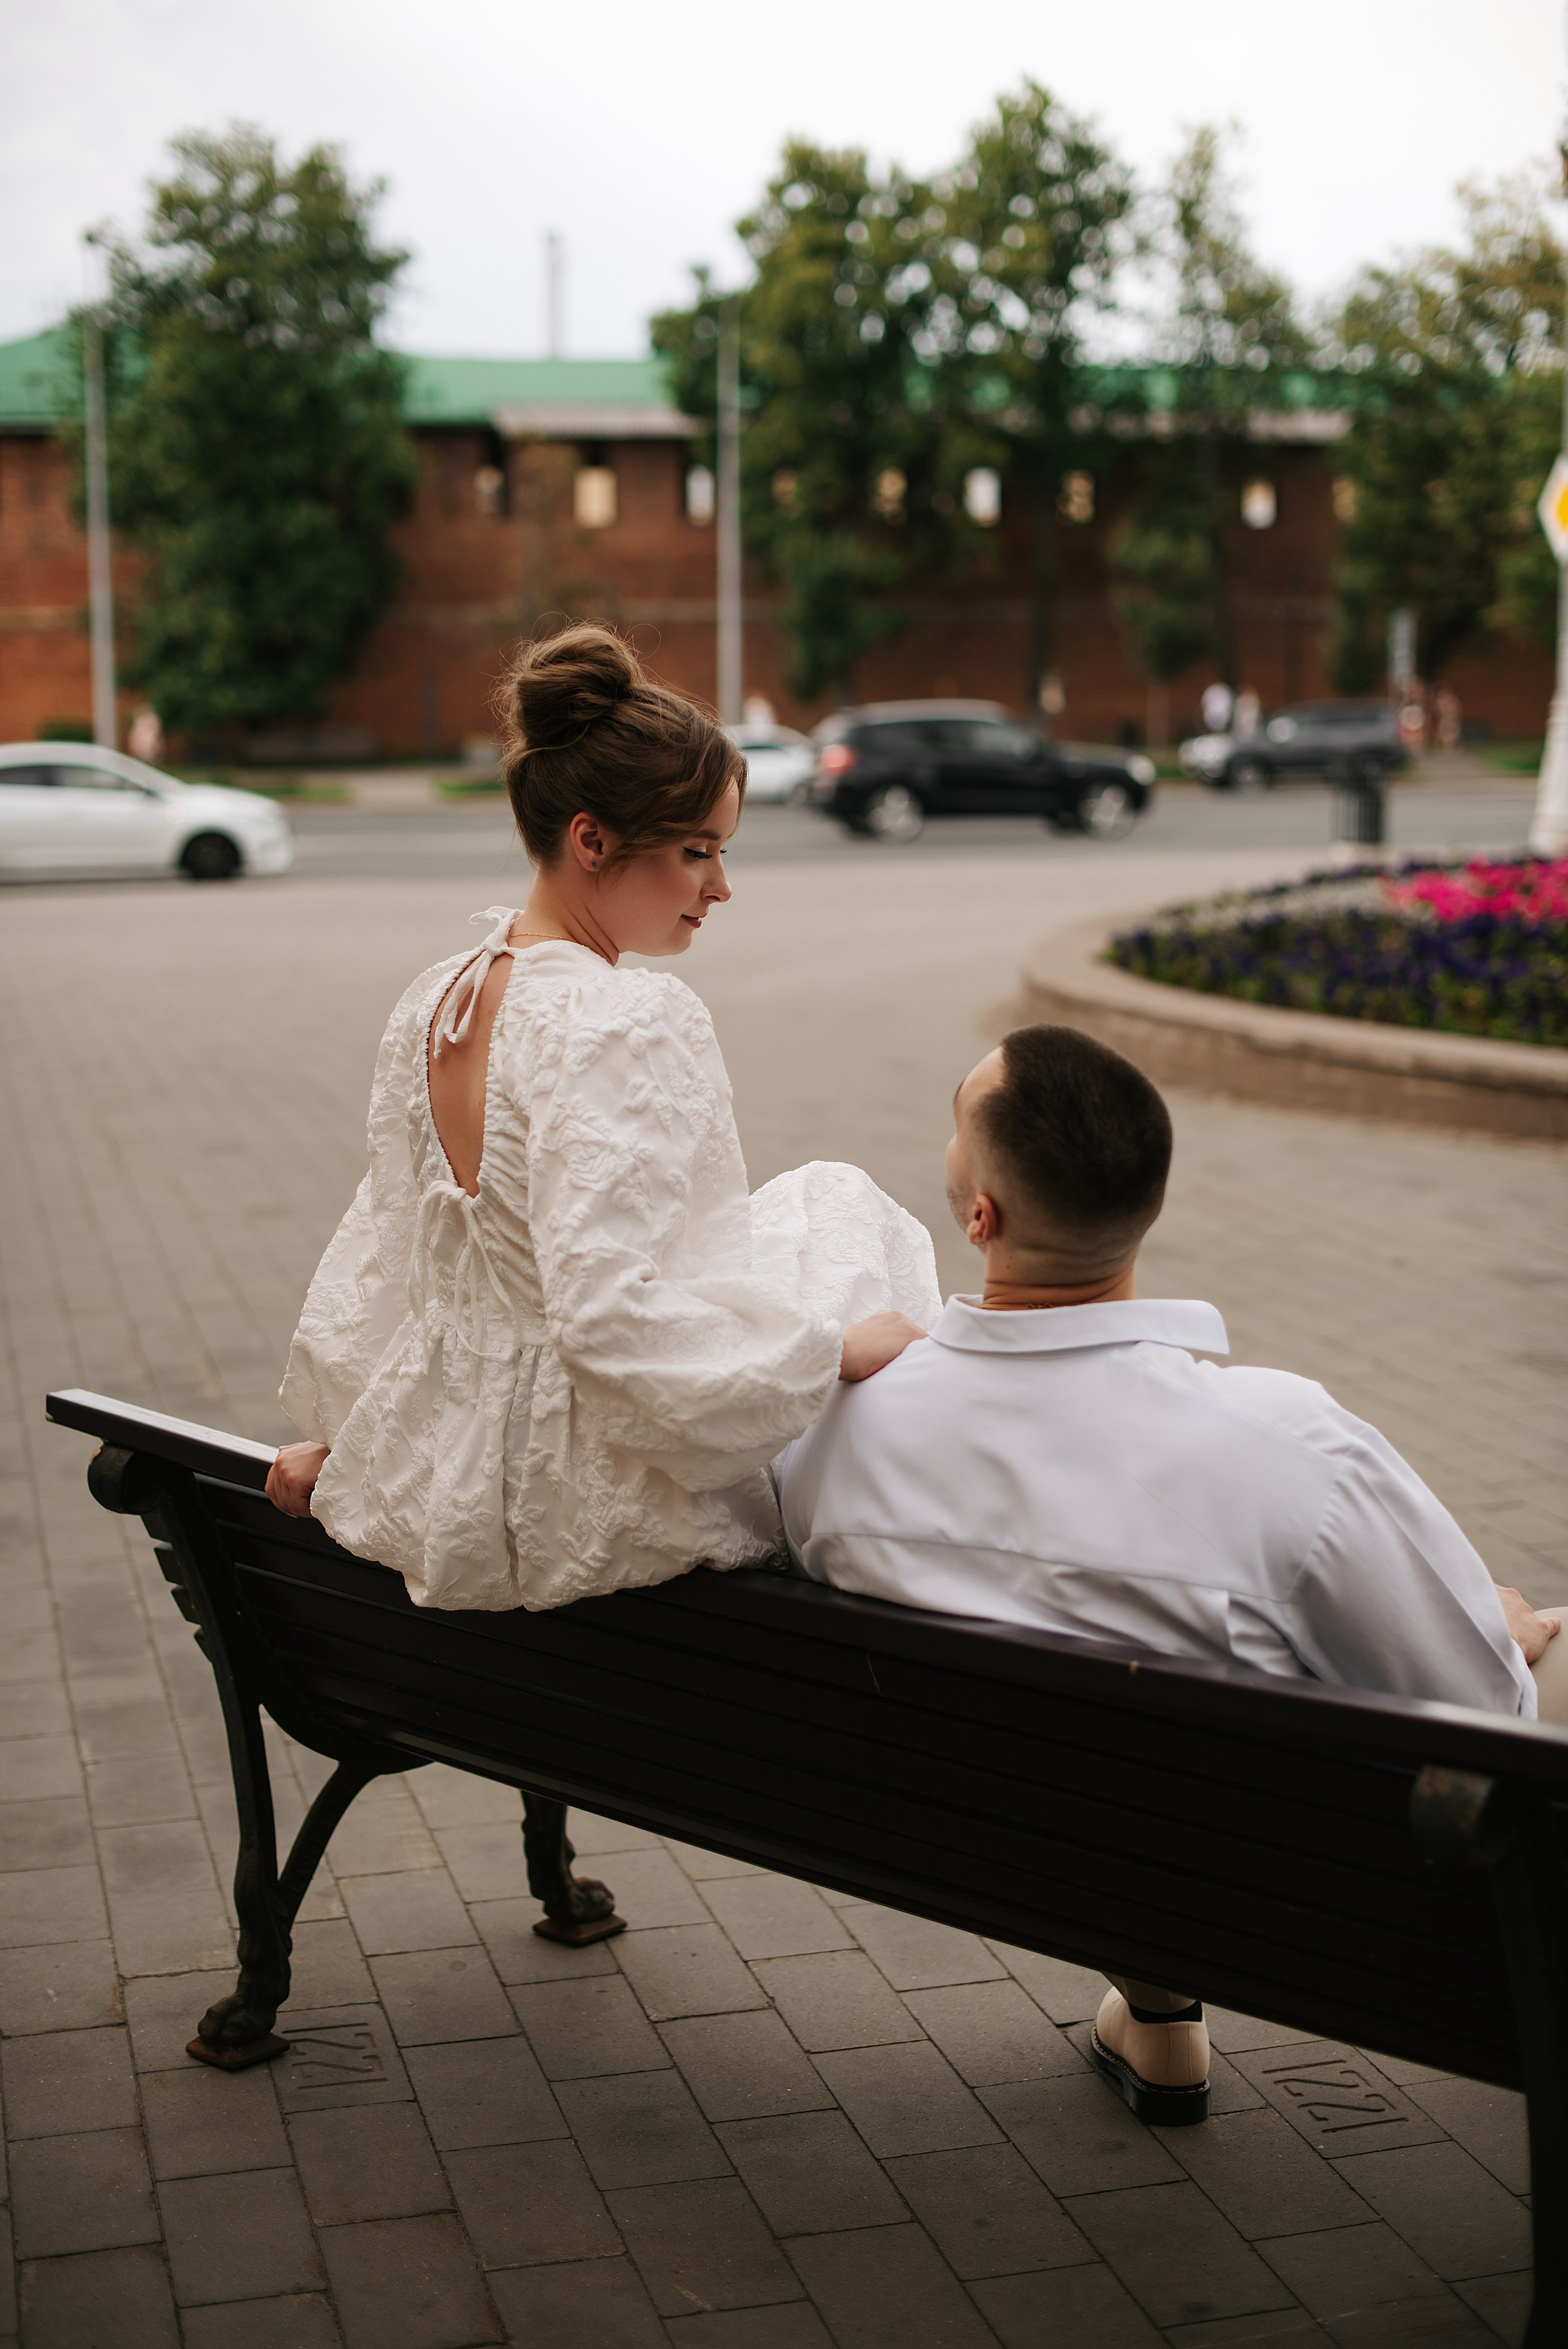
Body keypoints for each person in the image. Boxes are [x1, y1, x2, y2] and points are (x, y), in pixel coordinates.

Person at [772, 1024, 1564, 2125]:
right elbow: (1478, 1712)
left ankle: (1157, 2012)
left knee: (1110, 1739)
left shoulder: (837, 1434)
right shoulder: (1289, 1442)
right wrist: (1498, 1628)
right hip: (1315, 1899)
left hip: (1010, 1842)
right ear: (1147, 1201)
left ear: (980, 1216)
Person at [266, 624, 938, 1612]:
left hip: (443, 1471)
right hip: (577, 1501)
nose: (721, 885)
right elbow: (609, 1322)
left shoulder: (440, 996)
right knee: (848, 1217)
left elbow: (391, 1249)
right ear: (593, 840)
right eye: (696, 850)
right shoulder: (617, 1016)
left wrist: (351, 1433)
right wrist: (822, 1359)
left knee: (816, 1208)